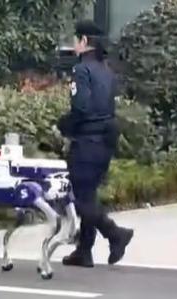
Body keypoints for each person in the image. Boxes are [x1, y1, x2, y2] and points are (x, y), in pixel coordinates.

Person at [57, 20, 134, 268]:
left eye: (76, 39)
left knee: (81, 199)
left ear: (84, 42)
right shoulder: (106, 69)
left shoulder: (82, 70)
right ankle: (84, 250)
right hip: (105, 140)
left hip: (87, 140)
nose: (73, 44)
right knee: (89, 195)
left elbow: (81, 107)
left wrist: (64, 125)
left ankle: (115, 234)